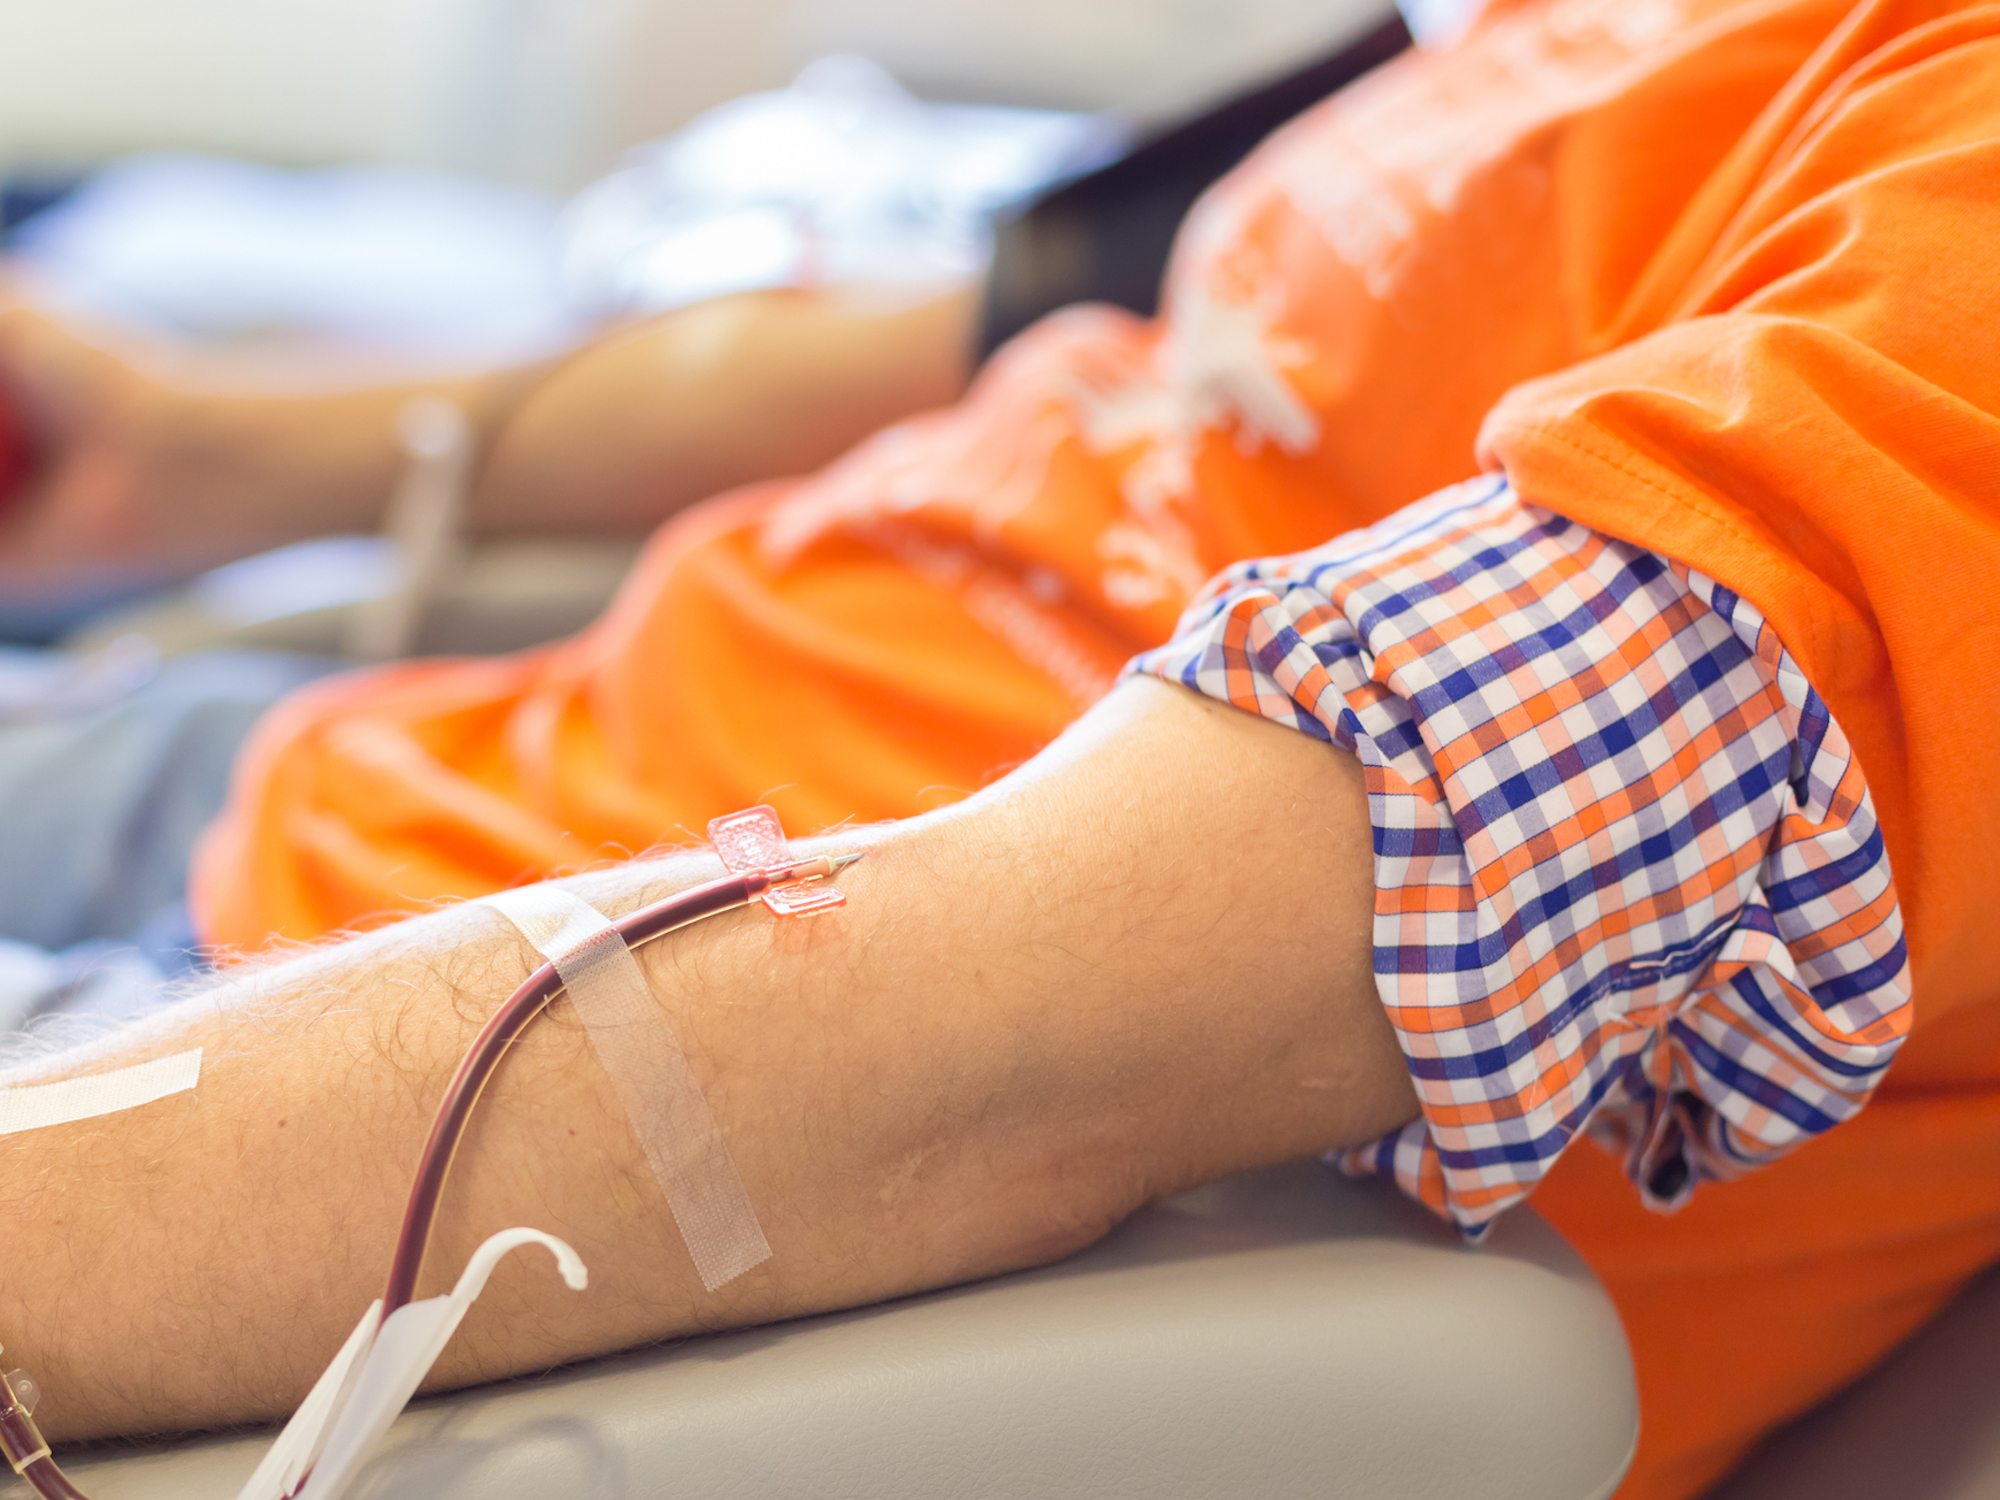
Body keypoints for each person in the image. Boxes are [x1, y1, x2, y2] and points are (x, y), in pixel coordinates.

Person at [0, 3, 1995, 1499]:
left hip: (333, 1180)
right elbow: (1045, 338)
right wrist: (199, 453)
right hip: (360, 788)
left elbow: (982, 1064)